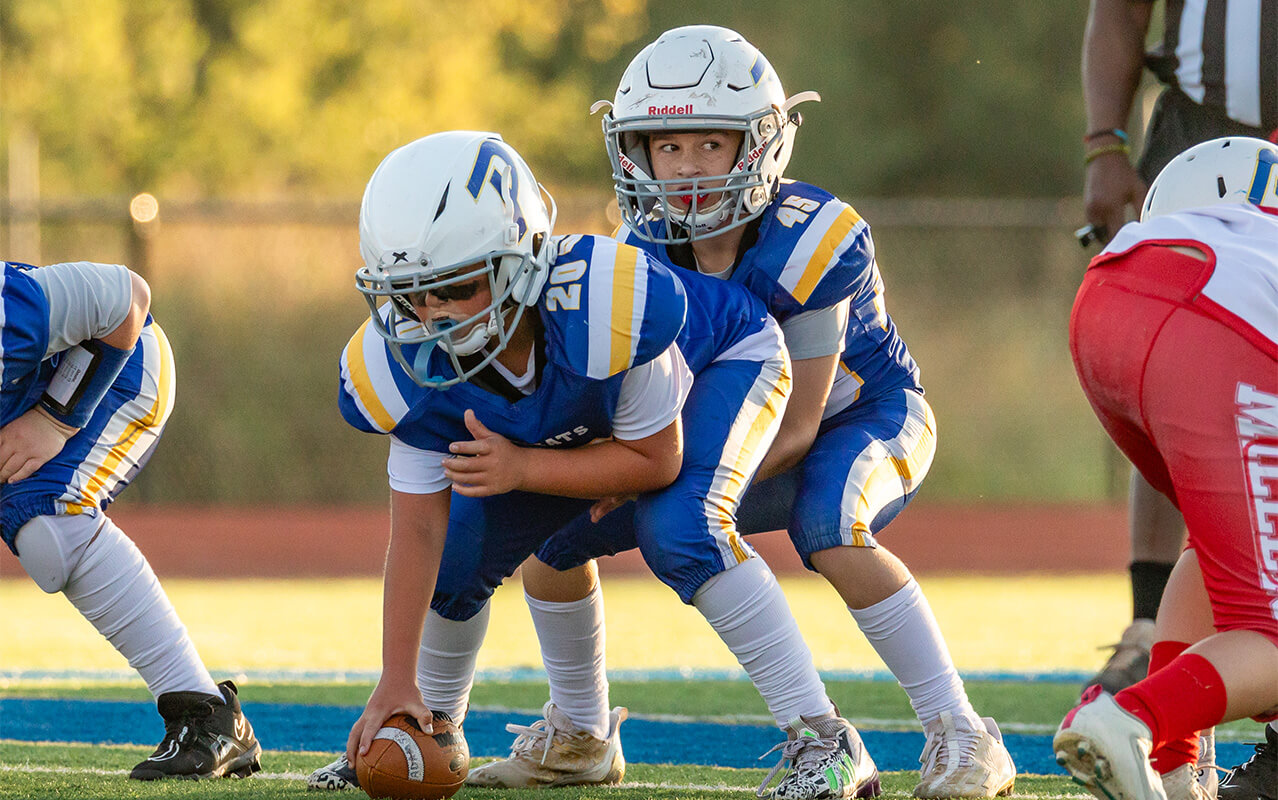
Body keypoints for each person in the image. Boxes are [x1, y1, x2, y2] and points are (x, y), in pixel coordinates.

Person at [463, 26, 1017, 800]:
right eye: (666, 147)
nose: (686, 168)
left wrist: (667, 476)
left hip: (859, 419)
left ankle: (962, 733)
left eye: (709, 144)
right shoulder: (640, 252)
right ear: (633, 152)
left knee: (825, 524)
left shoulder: (813, 236)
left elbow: (796, 425)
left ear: (759, 144)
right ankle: (581, 733)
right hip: (729, 430)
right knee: (554, 537)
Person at [315, 129, 883, 800]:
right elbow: (417, 533)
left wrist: (525, 469)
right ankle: (429, 726)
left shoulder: (605, 303)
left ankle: (825, 738)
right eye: (412, 294)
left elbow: (656, 459)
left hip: (727, 359)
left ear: (520, 259)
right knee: (458, 556)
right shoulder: (402, 367)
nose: (431, 316)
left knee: (682, 527)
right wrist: (395, 679)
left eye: (456, 287)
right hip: (575, 427)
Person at [1053, 136, 1278, 800]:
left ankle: (1177, 772)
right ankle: (1130, 718)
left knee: (1210, 550)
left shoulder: (1212, 228)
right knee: (1269, 631)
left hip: (1107, 306)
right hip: (1221, 323)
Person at [1080, 0, 1278, 701]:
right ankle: (1150, 632)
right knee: (1191, 383)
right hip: (1200, 126)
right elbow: (1121, 12)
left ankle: (1173, 683)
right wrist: (1104, 143)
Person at [0, 259, 260, 780]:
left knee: (46, 519)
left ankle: (207, 716)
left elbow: (126, 299)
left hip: (115, 366)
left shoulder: (12, 309)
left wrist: (55, 418)